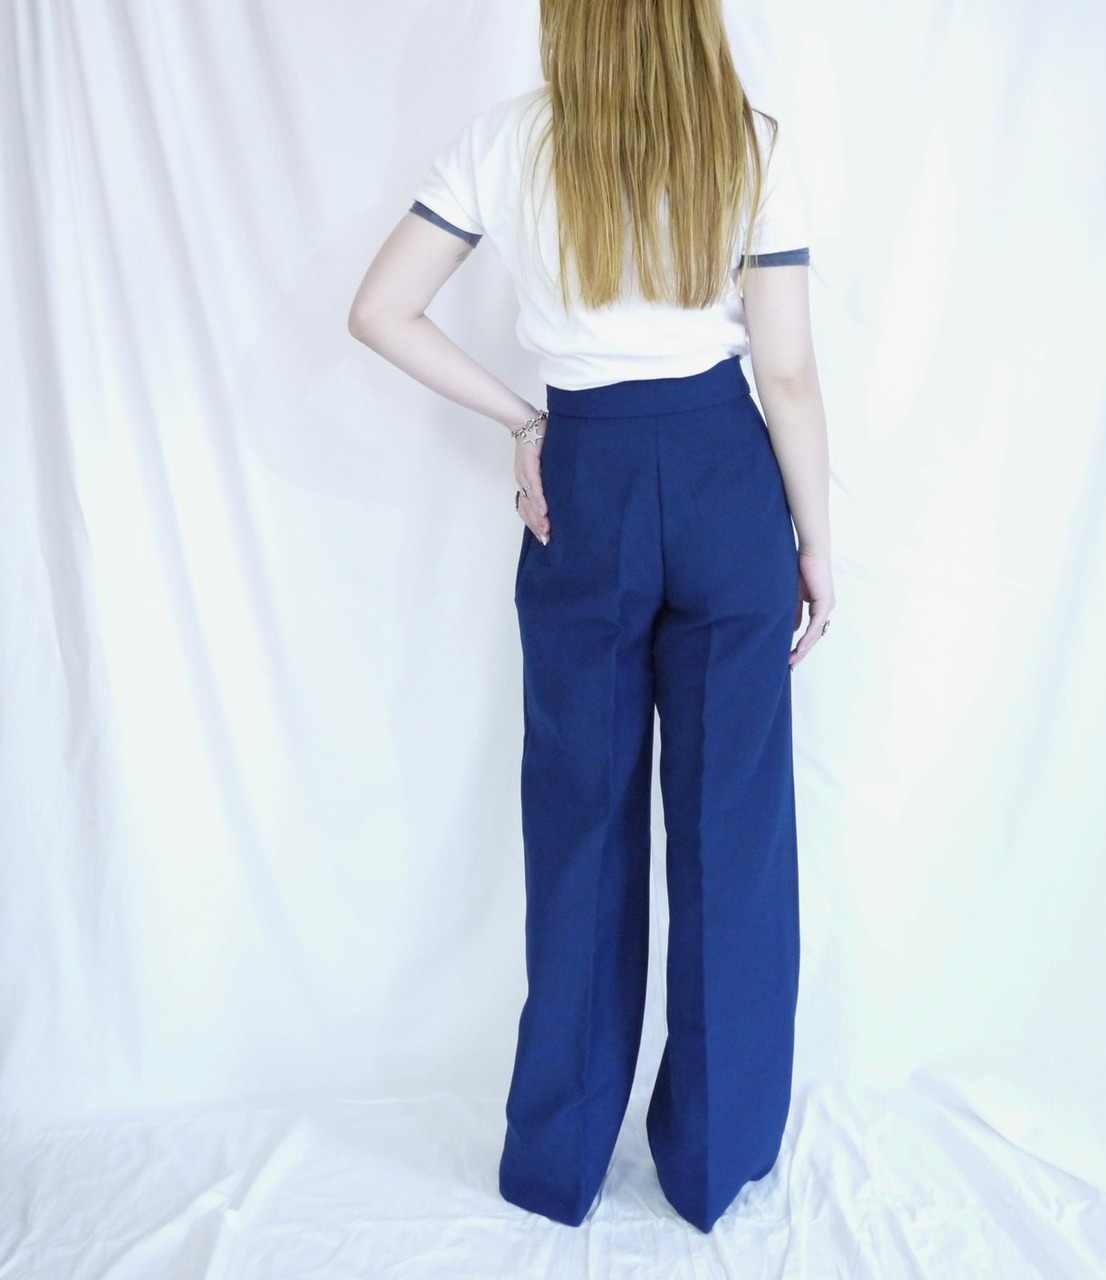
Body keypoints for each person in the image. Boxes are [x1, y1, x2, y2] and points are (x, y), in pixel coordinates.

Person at [347, 0, 834, 1234]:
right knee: (730, 832)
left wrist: (525, 422)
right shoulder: (749, 144)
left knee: (579, 830)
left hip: (587, 482)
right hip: (725, 482)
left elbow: (380, 308)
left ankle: (556, 1161)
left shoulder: (506, 142)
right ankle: (712, 1161)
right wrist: (815, 539)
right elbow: (784, 373)